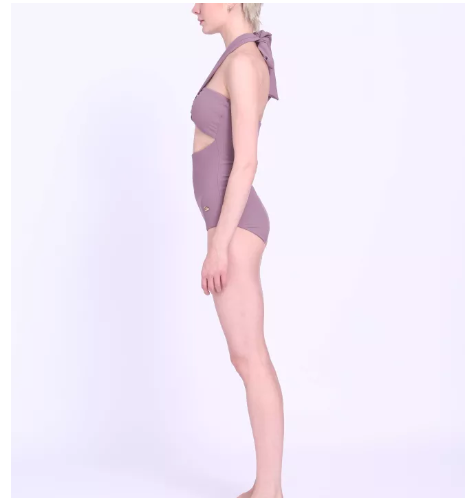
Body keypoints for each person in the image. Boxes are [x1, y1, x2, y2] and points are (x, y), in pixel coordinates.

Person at [190, 3, 284, 498]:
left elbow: (245, 163)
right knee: (246, 357)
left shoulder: (245, 61)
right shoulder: (237, 56)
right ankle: (265, 487)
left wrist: (219, 246)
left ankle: (269, 490)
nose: (193, 7)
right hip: (229, 226)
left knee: (251, 358)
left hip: (236, 228)